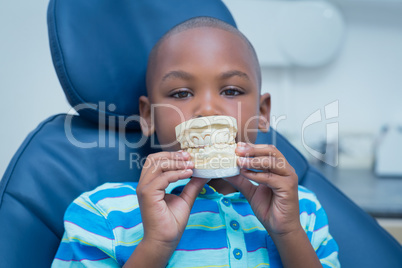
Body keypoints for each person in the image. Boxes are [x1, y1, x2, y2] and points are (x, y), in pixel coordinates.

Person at [52, 17, 339, 268]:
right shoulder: (101, 214)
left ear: (262, 113)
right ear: (148, 116)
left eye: (231, 90)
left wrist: (288, 233)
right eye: (180, 94)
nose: (208, 110)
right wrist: (156, 244)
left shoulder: (302, 209)